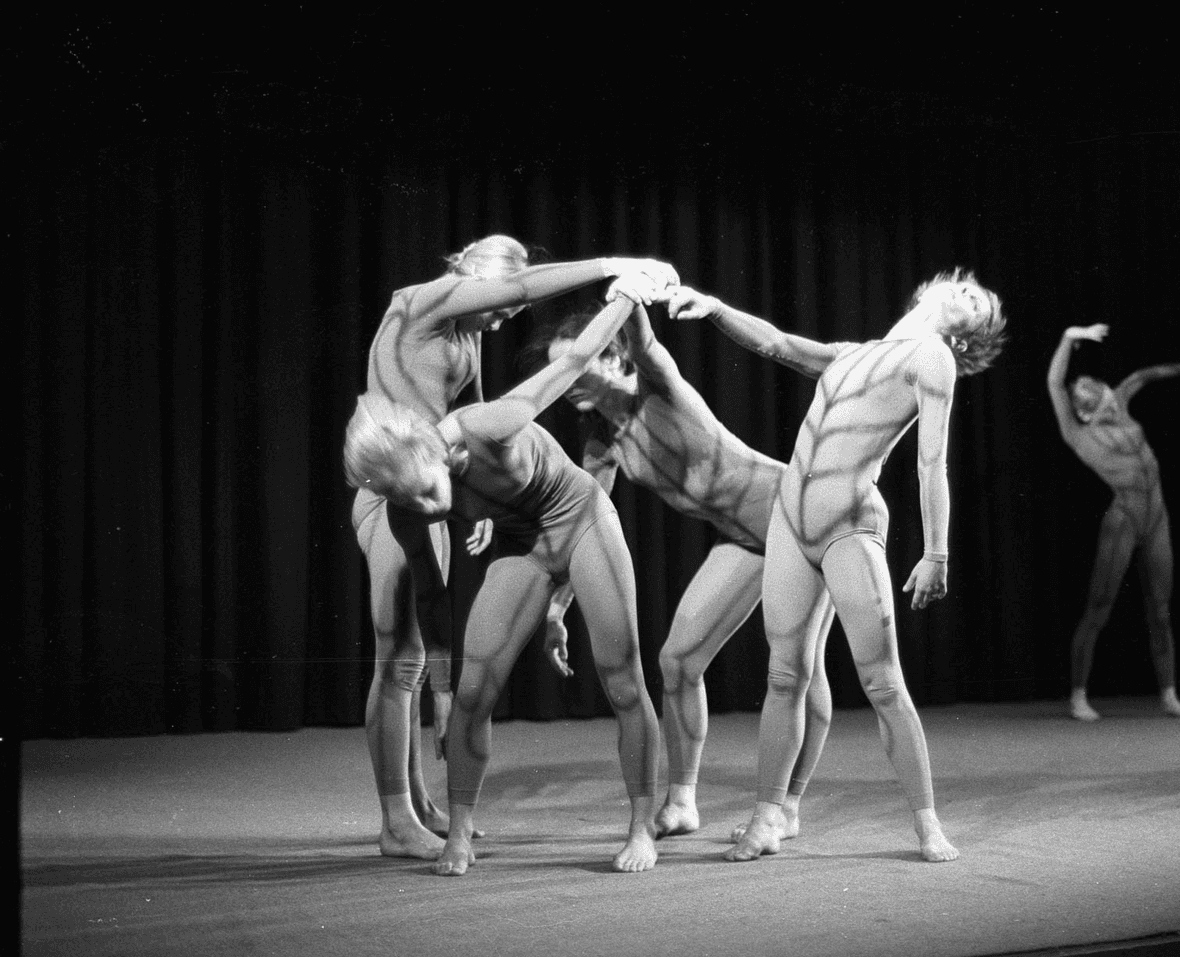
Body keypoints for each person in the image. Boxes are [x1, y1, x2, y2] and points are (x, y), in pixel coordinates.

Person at [352, 233, 677, 860]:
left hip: (545, 507)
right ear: (477, 283)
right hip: (409, 475)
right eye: (497, 304)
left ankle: (635, 825)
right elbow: (430, 589)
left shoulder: (470, 361)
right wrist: (617, 269)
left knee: (621, 674)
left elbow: (560, 370)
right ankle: (405, 817)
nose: (503, 319)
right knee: (414, 658)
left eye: (506, 314)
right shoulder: (423, 302)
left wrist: (478, 505)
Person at [666, 269, 1007, 862]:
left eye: (974, 299)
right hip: (790, 520)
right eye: (961, 284)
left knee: (882, 680)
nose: (961, 288)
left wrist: (936, 552)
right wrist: (715, 306)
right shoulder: (855, 354)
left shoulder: (933, 358)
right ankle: (769, 816)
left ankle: (927, 825)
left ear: (964, 337)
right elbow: (775, 342)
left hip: (849, 523)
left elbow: (933, 464)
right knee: (784, 675)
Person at [524, 304, 838, 840]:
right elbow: (585, 530)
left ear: (613, 355)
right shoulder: (603, 442)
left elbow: (645, 342)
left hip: (797, 517)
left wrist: (628, 296)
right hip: (743, 537)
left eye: (578, 364)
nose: (567, 380)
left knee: (800, 669)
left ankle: (787, 807)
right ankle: (682, 801)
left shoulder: (658, 388)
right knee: (677, 661)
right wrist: (556, 609)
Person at [1045, 324, 1180, 722]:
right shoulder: (1077, 432)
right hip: (1124, 518)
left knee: (1161, 610)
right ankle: (1078, 696)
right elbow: (1055, 383)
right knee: (1099, 608)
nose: (1115, 407)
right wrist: (1068, 337)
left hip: (1157, 516)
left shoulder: (1120, 400)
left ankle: (1169, 695)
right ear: (1085, 413)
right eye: (1107, 407)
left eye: (1114, 400)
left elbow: (1144, 376)